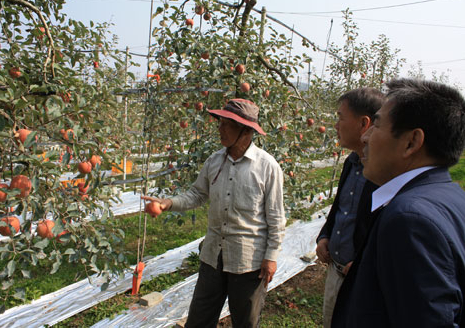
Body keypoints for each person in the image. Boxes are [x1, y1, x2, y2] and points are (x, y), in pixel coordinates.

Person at [332, 78, 465, 327]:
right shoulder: (451, 196)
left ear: (411, 142)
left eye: (377, 125)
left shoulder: (410, 220)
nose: (365, 137)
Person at [142, 99, 286, 327]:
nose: (220, 129)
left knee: (245, 322)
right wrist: (167, 203)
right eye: (220, 123)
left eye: (227, 124)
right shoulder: (214, 161)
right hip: (213, 256)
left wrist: (271, 257)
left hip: (248, 262)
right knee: (199, 319)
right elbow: (196, 194)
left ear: (246, 131)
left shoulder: (267, 167)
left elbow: (276, 217)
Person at [315, 88, 384, 328]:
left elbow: (384, 226)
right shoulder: (351, 162)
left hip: (362, 280)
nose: (335, 125)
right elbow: (340, 208)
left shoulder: (383, 172)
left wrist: (366, 264)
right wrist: (325, 235)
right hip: (337, 270)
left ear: (364, 123)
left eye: (340, 117)